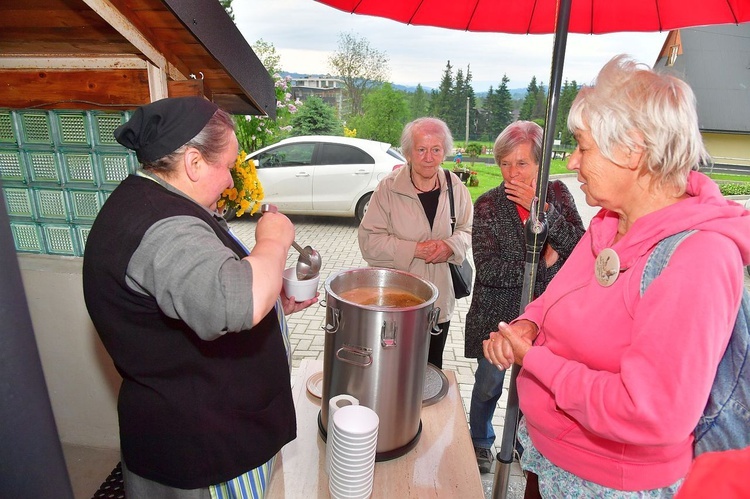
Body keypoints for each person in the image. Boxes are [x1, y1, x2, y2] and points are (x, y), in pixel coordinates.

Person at [484, 55, 750, 497]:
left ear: (632, 149)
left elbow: (647, 411)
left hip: (605, 484)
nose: (572, 162)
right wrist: (527, 324)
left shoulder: (698, 257)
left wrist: (532, 358)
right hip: (546, 456)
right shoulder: (609, 223)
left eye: (583, 147)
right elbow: (555, 297)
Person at [82, 96, 317, 498]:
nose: (230, 180)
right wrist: (274, 240)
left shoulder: (155, 199)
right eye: (227, 166)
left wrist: (273, 304)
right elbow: (233, 301)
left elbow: (202, 293)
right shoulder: (162, 227)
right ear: (193, 162)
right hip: (202, 448)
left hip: (217, 426)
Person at [465, 121, 584, 474]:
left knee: (531, 388)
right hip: (496, 317)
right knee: (488, 386)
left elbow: (581, 248)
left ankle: (518, 442)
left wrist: (545, 213)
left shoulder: (558, 194)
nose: (512, 173)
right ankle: (480, 441)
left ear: (540, 164)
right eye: (504, 163)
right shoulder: (487, 203)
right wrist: (546, 265)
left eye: (522, 163)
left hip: (546, 320)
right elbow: (487, 270)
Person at [358, 117, 472, 369]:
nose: (428, 157)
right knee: (392, 370)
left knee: (431, 371)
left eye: (436, 150)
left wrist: (450, 246)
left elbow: (467, 229)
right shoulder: (388, 189)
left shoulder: (456, 187)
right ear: (408, 152)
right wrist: (415, 250)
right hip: (397, 302)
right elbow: (369, 242)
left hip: (438, 304)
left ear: (445, 152)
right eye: (421, 149)